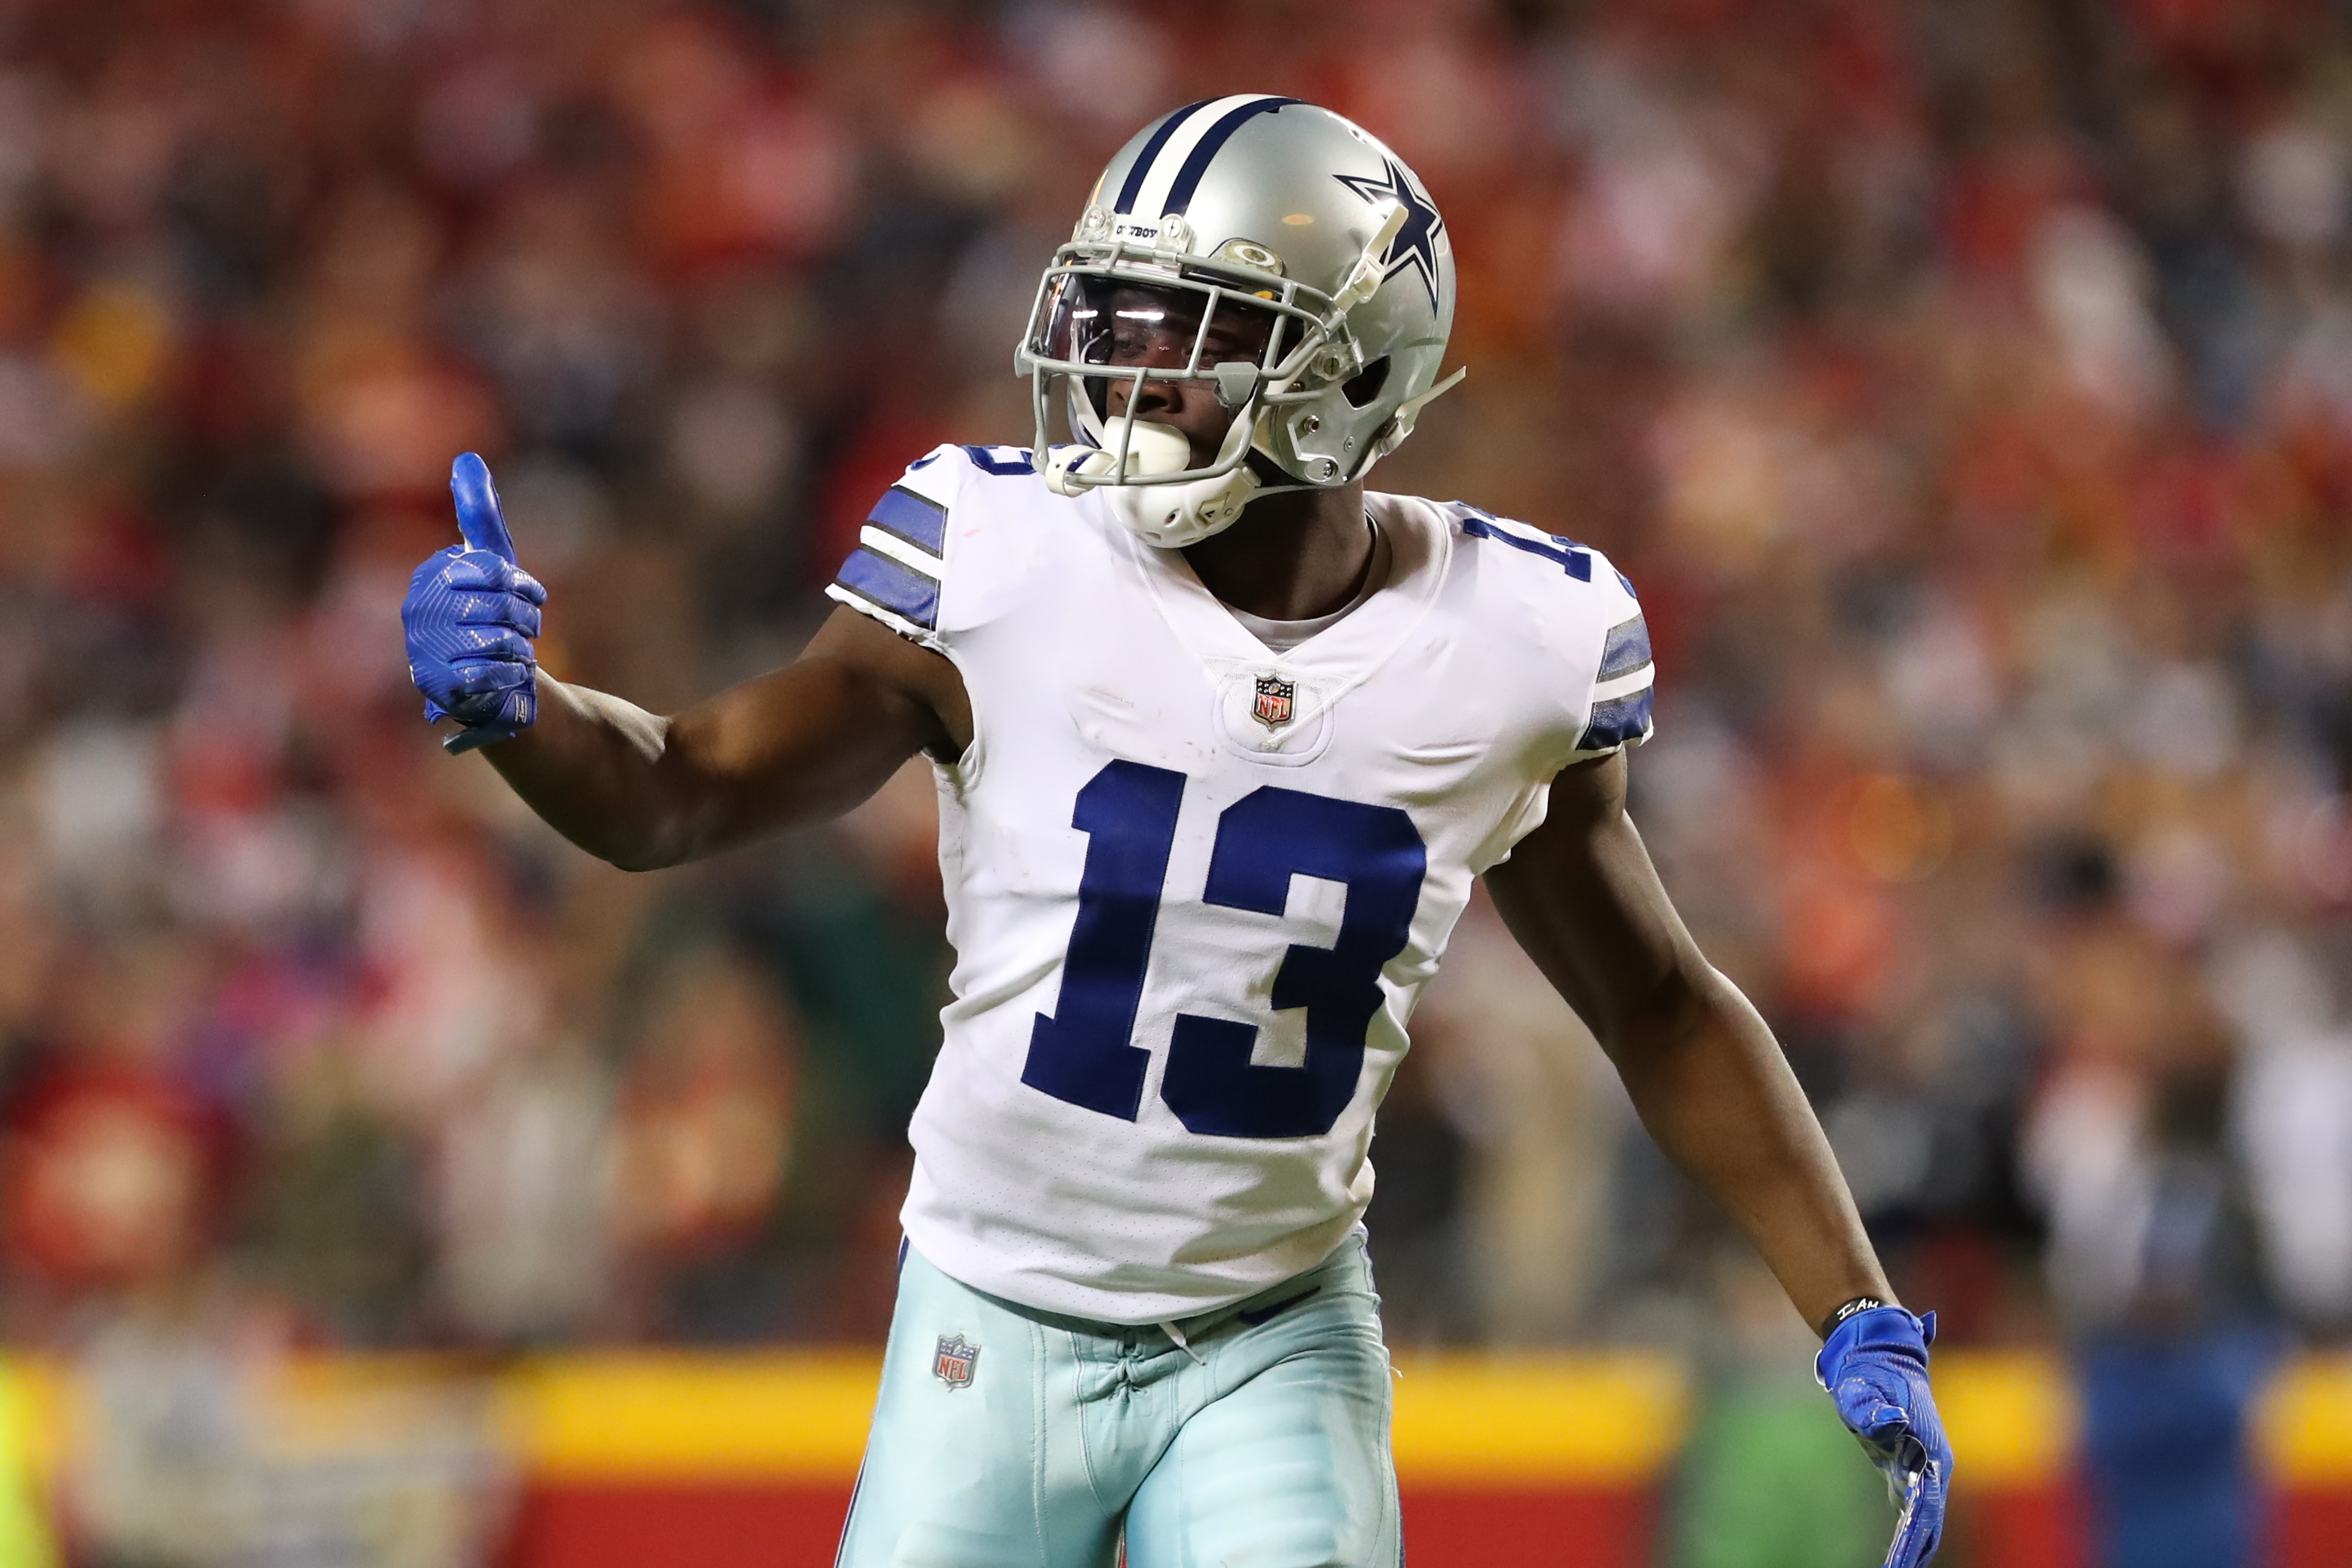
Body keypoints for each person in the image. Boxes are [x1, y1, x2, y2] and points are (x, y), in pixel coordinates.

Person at [402, 96, 1948, 1568]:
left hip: (1274, 1325)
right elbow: (678, 788)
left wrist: (1850, 1306)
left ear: (1351, 371)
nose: (1123, 373)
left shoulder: (1516, 644)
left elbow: (1661, 1005)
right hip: (991, 1309)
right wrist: (524, 709)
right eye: (1114, 318)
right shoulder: (1003, 564)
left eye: (1193, 333)